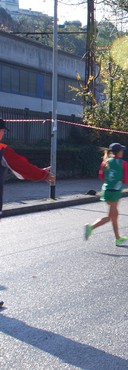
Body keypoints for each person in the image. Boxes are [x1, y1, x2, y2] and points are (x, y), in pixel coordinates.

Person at [0, 118, 55, 308]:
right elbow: (20, 167)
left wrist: (39, 172)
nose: (3, 134)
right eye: (2, 130)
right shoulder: (2, 149)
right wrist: (43, 175)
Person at [84, 143, 128, 246]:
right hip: (115, 191)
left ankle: (118, 238)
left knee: (114, 216)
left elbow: (101, 177)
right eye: (122, 150)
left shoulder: (105, 162)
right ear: (118, 152)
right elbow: (126, 180)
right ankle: (90, 227)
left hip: (106, 190)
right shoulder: (123, 163)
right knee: (110, 217)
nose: (123, 152)